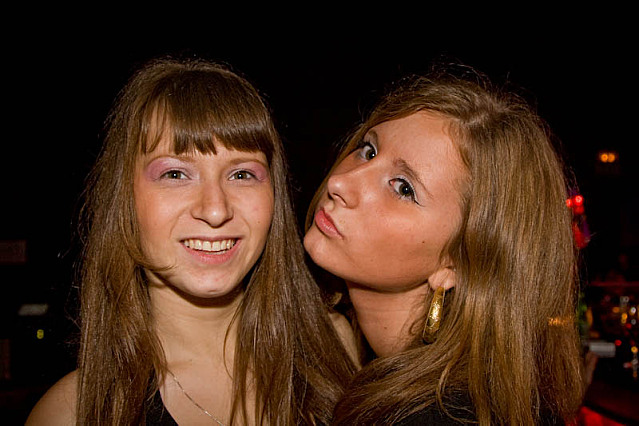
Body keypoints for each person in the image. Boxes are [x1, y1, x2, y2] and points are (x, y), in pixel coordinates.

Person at [27, 57, 357, 425]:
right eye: (175, 174)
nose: (215, 210)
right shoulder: (73, 413)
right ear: (124, 199)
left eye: (242, 174)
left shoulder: (333, 348)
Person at [304, 67, 585, 425]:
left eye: (403, 188)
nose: (341, 183)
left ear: (456, 265)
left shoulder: (440, 414)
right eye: (368, 151)